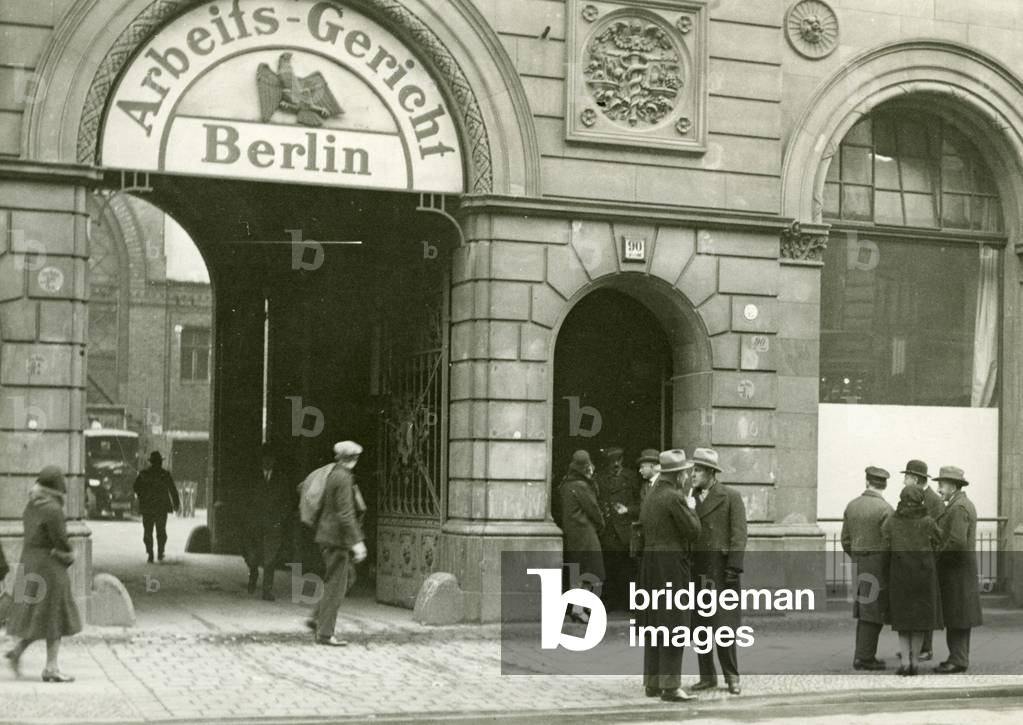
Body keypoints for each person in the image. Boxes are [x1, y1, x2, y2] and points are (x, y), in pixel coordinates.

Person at [4, 467, 82, 682]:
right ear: (57, 488)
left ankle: (18, 651)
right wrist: (69, 554)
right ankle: (51, 668)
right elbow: (61, 540)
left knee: (38, 614)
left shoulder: (31, 505)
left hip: (29, 563)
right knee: (55, 614)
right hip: (49, 566)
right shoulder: (53, 509)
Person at [638, 449, 701, 703]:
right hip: (671, 567)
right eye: (685, 472)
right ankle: (671, 685)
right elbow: (694, 532)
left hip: (651, 566)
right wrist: (692, 507)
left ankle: (652, 682)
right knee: (674, 623)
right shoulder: (675, 497)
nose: (687, 476)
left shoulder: (651, 496)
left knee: (654, 624)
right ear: (677, 475)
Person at [689, 448, 747, 695]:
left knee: (724, 627)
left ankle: (732, 677)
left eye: (698, 470)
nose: (693, 474)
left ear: (711, 473)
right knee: (700, 626)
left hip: (722, 572)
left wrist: (734, 566)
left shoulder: (730, 496)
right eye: (693, 469)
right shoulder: (689, 497)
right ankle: (707, 676)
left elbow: (739, 534)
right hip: (697, 571)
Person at [881, 485, 942, 676]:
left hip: (900, 578)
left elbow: (885, 549)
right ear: (920, 501)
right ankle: (915, 661)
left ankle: (905, 662)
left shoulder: (891, 522)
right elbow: (940, 542)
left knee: (902, 622)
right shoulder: (928, 522)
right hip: (924, 578)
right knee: (919, 622)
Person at [311, 441, 367, 646]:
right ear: (353, 458)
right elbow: (345, 513)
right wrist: (357, 542)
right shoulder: (343, 478)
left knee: (342, 579)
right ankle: (325, 633)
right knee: (336, 585)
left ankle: (317, 618)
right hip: (336, 539)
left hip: (327, 536)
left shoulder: (333, 473)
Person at [841, 466, 893, 671]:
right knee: (874, 612)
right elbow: (890, 542)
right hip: (878, 565)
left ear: (867, 482)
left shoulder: (852, 506)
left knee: (863, 610)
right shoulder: (886, 509)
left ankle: (863, 654)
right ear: (885, 485)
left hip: (858, 563)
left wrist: (857, 555)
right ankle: (864, 657)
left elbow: (845, 540)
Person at [933, 465, 982, 673]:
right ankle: (959, 657)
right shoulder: (960, 504)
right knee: (959, 616)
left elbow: (957, 543)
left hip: (956, 573)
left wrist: (938, 556)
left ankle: (958, 660)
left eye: (942, 485)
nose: (939, 489)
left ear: (953, 486)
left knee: (957, 617)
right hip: (960, 572)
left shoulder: (959, 507)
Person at [900, 459, 943, 660]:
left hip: (925, 564)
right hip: (913, 564)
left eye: (906, 477)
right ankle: (913, 648)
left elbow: (936, 534)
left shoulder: (933, 501)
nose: (903, 482)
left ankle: (926, 648)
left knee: (924, 605)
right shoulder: (915, 497)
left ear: (915, 479)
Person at [557, 450, 604, 623]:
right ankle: (579, 608)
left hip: (573, 535)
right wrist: (601, 525)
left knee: (579, 572)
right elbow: (594, 510)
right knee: (593, 572)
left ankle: (577, 608)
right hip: (586, 534)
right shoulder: (583, 486)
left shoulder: (565, 484)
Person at [242, 443, 291, 601]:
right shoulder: (251, 477)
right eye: (265, 458)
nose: (268, 462)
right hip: (254, 524)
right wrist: (247, 518)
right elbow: (244, 500)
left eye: (271, 459)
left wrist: (280, 519)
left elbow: (287, 502)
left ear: (274, 460)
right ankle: (253, 573)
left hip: (273, 524)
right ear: (261, 460)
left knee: (271, 557)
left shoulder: (282, 479)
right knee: (252, 556)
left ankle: (267, 590)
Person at [596, 446, 640, 611]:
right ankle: (609, 602)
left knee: (628, 568)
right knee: (609, 567)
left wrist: (629, 509)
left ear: (622, 460)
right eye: (611, 461)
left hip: (626, 530)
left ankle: (630, 603)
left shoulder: (631, 477)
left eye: (618, 460)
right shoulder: (601, 478)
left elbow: (641, 503)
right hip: (608, 530)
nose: (615, 464)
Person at [133, 451, 180, 562]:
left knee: (148, 531)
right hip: (161, 507)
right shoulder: (165, 474)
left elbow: (136, 487)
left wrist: (142, 496)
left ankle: (150, 553)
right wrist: (176, 503)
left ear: (151, 462)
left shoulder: (144, 474)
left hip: (147, 507)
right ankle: (160, 552)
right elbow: (173, 490)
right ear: (160, 462)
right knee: (161, 531)